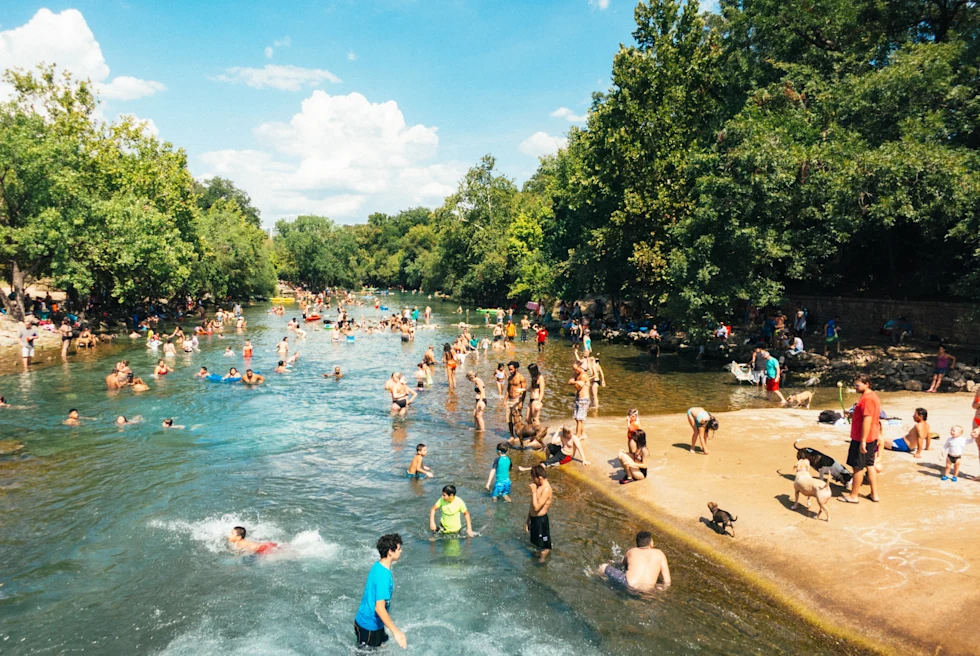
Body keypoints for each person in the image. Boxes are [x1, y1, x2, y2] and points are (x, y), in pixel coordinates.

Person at [355, 533, 406, 649]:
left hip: (368, 622)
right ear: (390, 552)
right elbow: (379, 608)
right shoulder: (383, 576)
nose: (401, 551)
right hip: (369, 627)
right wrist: (396, 632)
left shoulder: (377, 566)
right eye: (399, 549)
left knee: (382, 647)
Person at [840, 374, 882, 504]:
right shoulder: (872, 396)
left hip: (863, 437)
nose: (855, 387)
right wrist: (853, 414)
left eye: (858, 385)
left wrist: (862, 440)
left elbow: (867, 420)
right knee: (870, 465)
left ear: (867, 384)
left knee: (857, 467)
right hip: (872, 436)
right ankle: (874, 494)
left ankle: (854, 495)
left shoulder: (867, 399)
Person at [599, 531, 671, 592]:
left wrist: (614, 562)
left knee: (603, 567)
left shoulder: (631, 551)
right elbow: (667, 581)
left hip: (628, 584)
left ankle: (599, 579)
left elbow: (622, 566)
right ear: (651, 543)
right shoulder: (660, 554)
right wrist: (658, 587)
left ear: (637, 544)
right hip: (646, 591)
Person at [526, 465, 553, 560]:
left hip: (541, 521)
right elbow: (531, 505)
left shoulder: (546, 489)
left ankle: (543, 558)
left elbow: (537, 507)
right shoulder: (539, 486)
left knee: (544, 546)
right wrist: (528, 520)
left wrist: (533, 492)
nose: (533, 481)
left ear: (540, 478)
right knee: (536, 542)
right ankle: (538, 555)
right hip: (534, 520)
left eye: (534, 478)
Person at [569, 364, 591, 440]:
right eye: (573, 369)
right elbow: (569, 381)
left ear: (580, 367)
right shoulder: (576, 374)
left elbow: (578, 387)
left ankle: (577, 436)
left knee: (579, 419)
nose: (575, 371)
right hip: (578, 398)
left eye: (576, 369)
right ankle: (583, 433)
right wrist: (576, 382)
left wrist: (574, 382)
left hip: (584, 399)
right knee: (576, 417)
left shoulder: (583, 376)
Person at [506, 361, 527, 434]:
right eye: (509, 369)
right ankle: (512, 435)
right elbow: (508, 389)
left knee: (517, 420)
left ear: (516, 368)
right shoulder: (510, 377)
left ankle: (519, 435)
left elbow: (524, 391)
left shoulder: (521, 378)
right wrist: (504, 400)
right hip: (509, 400)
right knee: (509, 420)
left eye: (511, 369)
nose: (510, 371)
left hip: (517, 399)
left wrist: (521, 402)